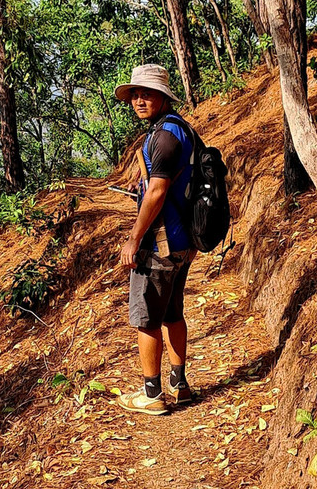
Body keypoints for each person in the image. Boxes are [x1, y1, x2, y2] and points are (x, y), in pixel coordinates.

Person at [113, 64, 197, 415]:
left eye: (146, 93)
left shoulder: (163, 137)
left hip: (161, 243)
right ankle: (180, 385)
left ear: (163, 96)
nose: (139, 100)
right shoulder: (180, 128)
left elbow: (158, 191)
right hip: (183, 242)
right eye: (135, 94)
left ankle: (152, 395)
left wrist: (134, 239)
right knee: (173, 312)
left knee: (146, 319)